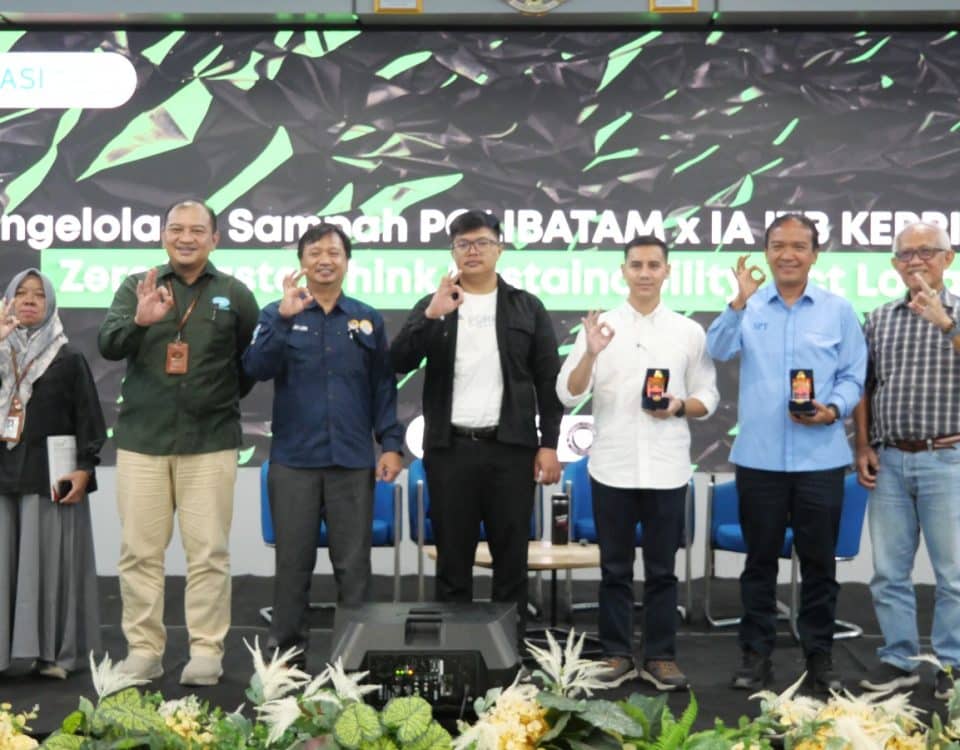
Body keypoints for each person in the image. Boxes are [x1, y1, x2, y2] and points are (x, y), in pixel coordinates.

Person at [98, 200, 259, 686]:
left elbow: (248, 365)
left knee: (208, 552)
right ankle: (144, 650)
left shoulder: (234, 293)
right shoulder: (138, 287)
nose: (185, 237)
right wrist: (141, 321)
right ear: (164, 235)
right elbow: (108, 344)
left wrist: (214, 397)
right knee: (139, 552)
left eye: (197, 230)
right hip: (143, 440)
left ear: (215, 238)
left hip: (209, 441)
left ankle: (206, 651)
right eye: (176, 229)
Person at [706, 213, 866, 693]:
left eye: (799, 246)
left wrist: (832, 409)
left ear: (815, 254)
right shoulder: (749, 308)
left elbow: (854, 375)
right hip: (760, 462)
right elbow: (716, 348)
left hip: (821, 461)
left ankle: (820, 657)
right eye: (778, 245)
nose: (788, 254)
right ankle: (755, 656)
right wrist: (738, 300)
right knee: (758, 564)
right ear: (766, 252)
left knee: (819, 564)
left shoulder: (838, 310)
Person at [556, 236, 718, 690]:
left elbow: (709, 395)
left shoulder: (688, 332)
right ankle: (616, 654)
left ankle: (662, 656)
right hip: (613, 467)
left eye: (653, 265)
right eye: (636, 265)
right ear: (622, 271)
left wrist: (679, 405)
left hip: (667, 468)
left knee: (664, 570)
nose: (644, 273)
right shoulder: (601, 326)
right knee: (615, 570)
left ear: (668, 271)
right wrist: (590, 352)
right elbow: (566, 393)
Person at [390, 209, 563, 633]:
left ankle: (509, 658)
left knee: (510, 561)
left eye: (482, 242)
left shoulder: (527, 307)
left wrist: (550, 443)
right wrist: (429, 316)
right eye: (463, 244)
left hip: (511, 451)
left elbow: (548, 380)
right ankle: (455, 655)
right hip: (451, 453)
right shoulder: (436, 305)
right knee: (453, 559)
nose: (473, 251)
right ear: (453, 251)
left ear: (499, 248)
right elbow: (396, 361)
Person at [242, 223, 404, 664]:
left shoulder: (367, 318)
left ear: (347, 261)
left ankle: (357, 659)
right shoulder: (278, 313)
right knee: (292, 566)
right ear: (302, 263)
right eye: (314, 253)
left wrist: (390, 443)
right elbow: (255, 367)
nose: (324, 260)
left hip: (351, 461)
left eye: (333, 252)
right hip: (294, 461)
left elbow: (383, 387)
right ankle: (286, 664)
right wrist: (281, 317)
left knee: (354, 569)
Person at [855, 221, 960, 701]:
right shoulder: (879, 318)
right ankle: (898, 660)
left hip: (948, 457)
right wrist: (863, 444)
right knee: (888, 573)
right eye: (905, 255)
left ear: (948, 258)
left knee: (953, 575)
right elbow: (866, 387)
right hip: (892, 460)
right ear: (895, 264)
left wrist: (946, 324)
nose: (915, 261)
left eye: (926, 252)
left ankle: (950, 665)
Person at [0, 269, 106, 680]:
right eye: (20, 293)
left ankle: (53, 655)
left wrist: (85, 469)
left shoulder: (68, 358)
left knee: (49, 569)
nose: (29, 301)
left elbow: (89, 421)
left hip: (47, 480)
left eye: (38, 296)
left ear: (51, 305)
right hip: (2, 477)